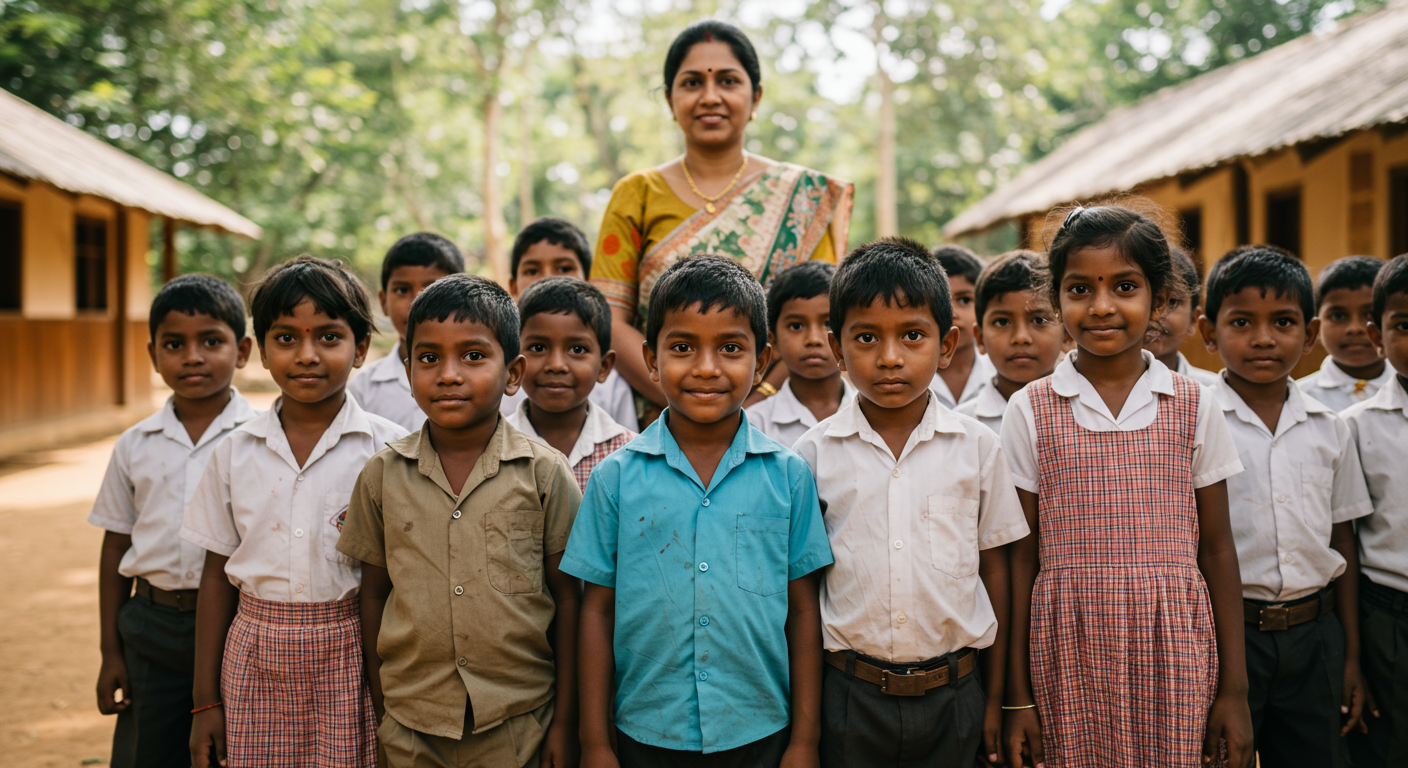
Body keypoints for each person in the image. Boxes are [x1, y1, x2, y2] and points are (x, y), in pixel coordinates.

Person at [1000, 204, 1253, 768]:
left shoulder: (1192, 406)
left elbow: (1216, 547)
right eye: (1080, 288)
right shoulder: (1032, 409)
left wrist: (1233, 692)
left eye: (1125, 286)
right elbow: (1020, 558)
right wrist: (1016, 696)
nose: (1102, 306)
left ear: (1159, 299)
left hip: (1175, 646)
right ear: (1057, 299)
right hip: (1067, 648)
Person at [563, 255, 834, 767]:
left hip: (759, 728)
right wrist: (595, 742)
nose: (707, 368)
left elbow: (803, 611)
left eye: (730, 348)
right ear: (650, 357)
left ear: (762, 359)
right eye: (683, 347)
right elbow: (595, 612)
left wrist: (804, 740)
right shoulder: (615, 479)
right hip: (645, 729)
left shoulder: (788, 476)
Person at [791, 238, 1028, 768]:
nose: (890, 357)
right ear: (837, 348)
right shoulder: (810, 457)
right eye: (867, 337)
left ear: (947, 345)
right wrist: (807, 730)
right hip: (850, 697)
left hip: (958, 694)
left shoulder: (977, 449)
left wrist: (997, 700)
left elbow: (997, 573)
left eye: (913, 336)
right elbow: (802, 594)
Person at [337, 274, 584, 767]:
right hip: (413, 726)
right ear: (408, 370)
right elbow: (374, 595)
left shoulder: (544, 473)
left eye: (473, 356)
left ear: (513, 373)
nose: (448, 374)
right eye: (429, 358)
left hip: (520, 725)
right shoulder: (383, 475)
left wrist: (564, 723)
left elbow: (568, 602)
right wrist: (386, 708)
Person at [182, 256, 408, 768]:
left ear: (362, 349)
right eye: (286, 338)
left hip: (354, 655)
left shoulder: (391, 452)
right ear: (261, 351)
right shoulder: (233, 453)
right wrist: (205, 702)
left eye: (329, 337)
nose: (307, 355)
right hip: (254, 655)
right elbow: (215, 577)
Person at [590, 19, 853, 420]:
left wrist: (753, 400)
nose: (710, 96)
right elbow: (609, 317)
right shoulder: (636, 193)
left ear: (756, 96)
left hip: (774, 419)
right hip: (655, 417)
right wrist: (684, 400)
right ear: (668, 98)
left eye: (728, 81)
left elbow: (820, 315)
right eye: (692, 83)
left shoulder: (803, 197)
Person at [1196, 245, 1373, 766]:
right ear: (1209, 333)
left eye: (1284, 322)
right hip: (1227, 635)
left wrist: (1351, 657)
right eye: (1242, 322)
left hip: (1315, 636)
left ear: (1310, 334)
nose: (1264, 338)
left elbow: (1343, 540)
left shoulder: (1331, 429)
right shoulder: (1193, 422)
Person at [89, 274, 257, 768]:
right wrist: (110, 653)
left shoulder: (261, 440)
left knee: (230, 747)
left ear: (242, 350)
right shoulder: (135, 445)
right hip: (150, 626)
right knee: (148, 751)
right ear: (152, 354)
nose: (193, 356)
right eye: (174, 344)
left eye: (211, 341)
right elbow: (115, 546)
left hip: (236, 623)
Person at [1343, 253, 1408, 768]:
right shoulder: (1355, 427)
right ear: (1377, 334)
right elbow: (1344, 538)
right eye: (1404, 325)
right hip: (1389, 618)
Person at [503, 217, 638, 431]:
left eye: (564, 268)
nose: (547, 278)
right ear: (513, 287)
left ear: (588, 279)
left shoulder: (612, 384)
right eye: (532, 271)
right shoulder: (497, 377)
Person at [506, 277, 635, 491]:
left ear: (604, 367)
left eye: (577, 349)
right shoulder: (491, 448)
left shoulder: (629, 454)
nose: (556, 365)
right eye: (538, 348)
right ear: (515, 365)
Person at [348, 232, 464, 431]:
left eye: (432, 288)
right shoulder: (362, 390)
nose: (416, 303)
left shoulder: (495, 380)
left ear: (463, 299)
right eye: (402, 290)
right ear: (384, 302)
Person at [958, 250, 1065, 434]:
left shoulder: (1088, 414)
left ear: (1067, 334)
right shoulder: (960, 427)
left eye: (1039, 320)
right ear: (980, 338)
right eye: (1002, 322)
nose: (1021, 337)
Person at [747, 260, 850, 447]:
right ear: (774, 341)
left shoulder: (876, 414)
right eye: (796, 326)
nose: (813, 339)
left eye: (828, 324)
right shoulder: (754, 426)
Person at [1298, 256, 1392, 411]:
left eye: (1370, 315)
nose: (1355, 328)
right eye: (1338, 316)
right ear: (1315, 328)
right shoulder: (1298, 399)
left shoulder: (1404, 388)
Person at [929, 245, 996, 408]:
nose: (952, 313)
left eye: (965, 300)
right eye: (939, 302)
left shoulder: (1000, 375)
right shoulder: (904, 378)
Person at [1145, 245, 1220, 386]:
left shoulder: (1212, 394)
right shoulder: (1093, 390)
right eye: (1145, 300)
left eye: (1171, 302)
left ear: (1193, 319)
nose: (1155, 314)